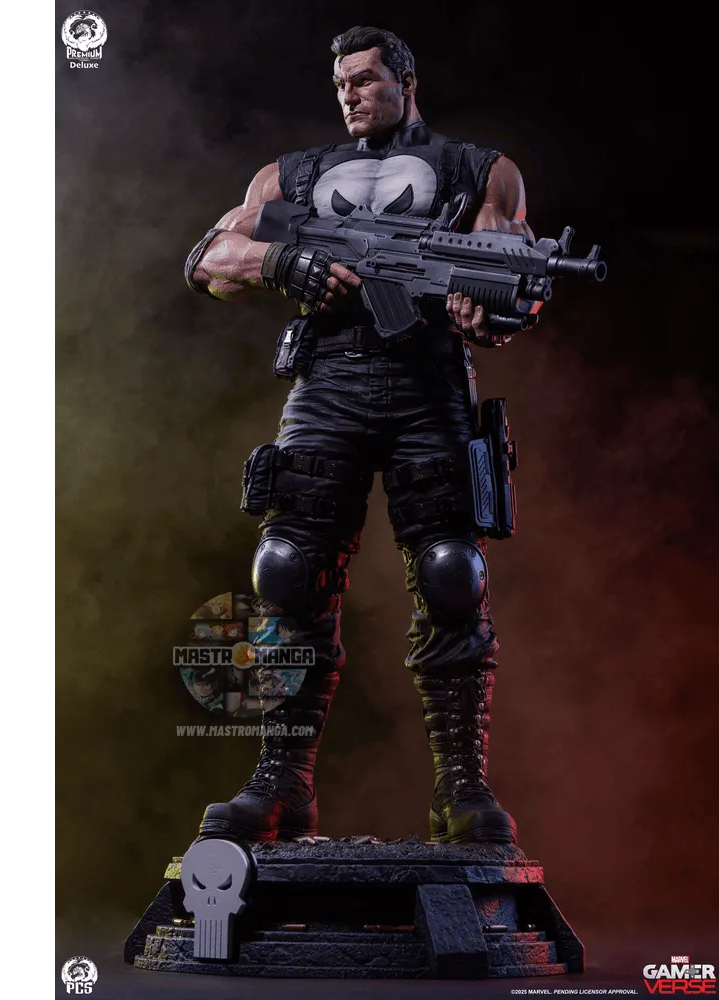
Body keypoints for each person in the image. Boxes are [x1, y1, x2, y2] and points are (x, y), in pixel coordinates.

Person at [185, 25, 546, 845]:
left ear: (406, 80)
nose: (349, 93)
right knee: (287, 570)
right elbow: (209, 258)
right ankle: (282, 783)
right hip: (329, 381)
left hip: (429, 382)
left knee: (453, 574)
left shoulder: (477, 169)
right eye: (341, 82)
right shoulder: (293, 177)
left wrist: (489, 304)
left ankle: (462, 788)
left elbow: (514, 263)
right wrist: (282, 264)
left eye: (365, 79)